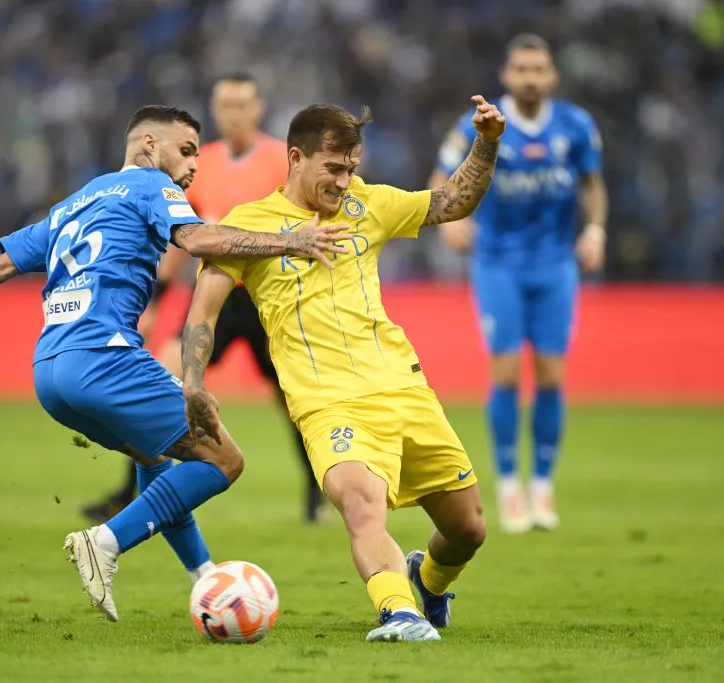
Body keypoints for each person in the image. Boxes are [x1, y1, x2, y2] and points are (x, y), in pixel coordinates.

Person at [0, 105, 348, 621]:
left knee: (153, 460)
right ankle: (106, 541)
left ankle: (206, 578)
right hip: (105, 358)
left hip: (50, 371)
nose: (192, 167)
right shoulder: (151, 188)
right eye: (185, 151)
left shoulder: (76, 201)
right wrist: (290, 241)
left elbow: (1, 264)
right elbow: (200, 240)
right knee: (225, 460)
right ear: (146, 146)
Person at [179, 97, 505, 642]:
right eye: (333, 169)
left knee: (468, 529)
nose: (344, 182)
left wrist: (487, 143)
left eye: (351, 169)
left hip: (405, 390)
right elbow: (202, 312)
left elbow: (454, 201)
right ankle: (398, 611)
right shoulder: (250, 227)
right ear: (296, 157)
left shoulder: (370, 205)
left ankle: (426, 582)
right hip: (327, 402)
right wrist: (193, 382)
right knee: (360, 503)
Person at [81, 73, 325, 526]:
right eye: (224, 105)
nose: (232, 113)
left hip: (268, 300)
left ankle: (317, 495)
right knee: (162, 381)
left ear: (258, 109)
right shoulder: (200, 162)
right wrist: (154, 299)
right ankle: (129, 493)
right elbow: (181, 235)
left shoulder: (281, 161)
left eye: (241, 104)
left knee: (294, 403)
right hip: (212, 294)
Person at [431, 34, 607, 534]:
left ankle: (543, 485)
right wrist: (450, 219)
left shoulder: (575, 125)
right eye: (522, 69)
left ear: (551, 76)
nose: (531, 77)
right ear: (507, 76)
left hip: (555, 265)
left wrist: (594, 229)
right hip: (498, 263)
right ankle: (509, 485)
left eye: (539, 69)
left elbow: (593, 185)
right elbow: (441, 174)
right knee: (506, 370)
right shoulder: (484, 123)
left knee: (551, 373)